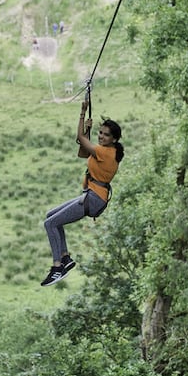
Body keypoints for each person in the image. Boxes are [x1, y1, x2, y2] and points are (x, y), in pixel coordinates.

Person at [40, 100, 124, 286]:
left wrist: (82, 112)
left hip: (93, 199)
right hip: (91, 196)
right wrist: (87, 131)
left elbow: (79, 137)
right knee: (50, 216)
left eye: (105, 135)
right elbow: (82, 152)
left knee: (50, 224)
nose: (101, 136)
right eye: (100, 133)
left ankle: (57, 268)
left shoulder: (106, 153)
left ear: (114, 139)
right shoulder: (103, 150)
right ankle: (65, 258)